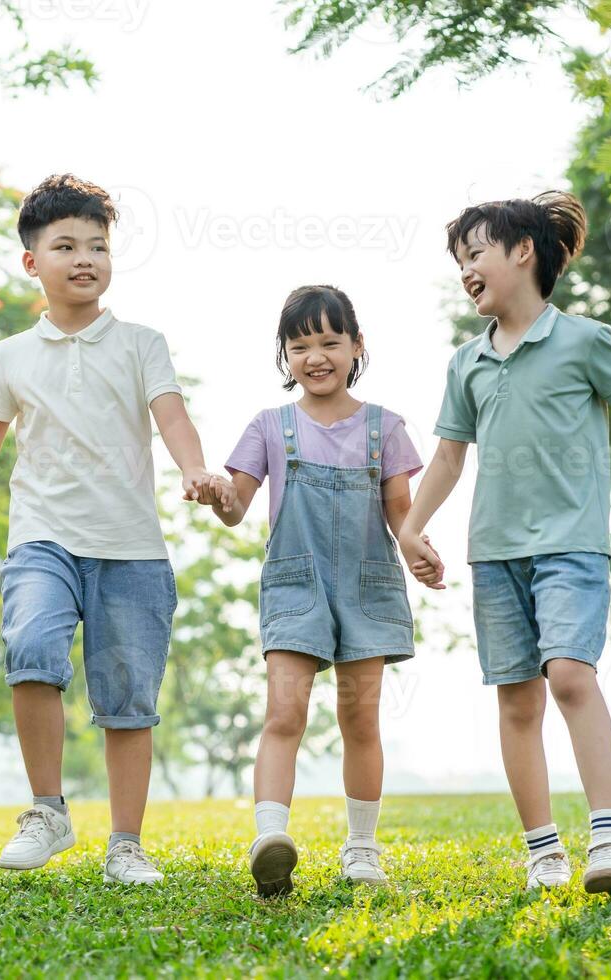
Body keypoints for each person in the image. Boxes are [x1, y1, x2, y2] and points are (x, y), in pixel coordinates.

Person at [398, 192, 611, 893]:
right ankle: (543, 851)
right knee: (518, 702)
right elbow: (451, 457)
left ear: (523, 253)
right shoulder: (467, 364)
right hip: (494, 553)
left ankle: (609, 839)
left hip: (572, 546)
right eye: (459, 260)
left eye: (475, 253)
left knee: (571, 676)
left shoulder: (584, 340)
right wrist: (411, 525)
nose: (466, 270)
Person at [0, 174, 221, 885]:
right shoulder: (10, 355)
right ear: (31, 261)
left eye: (98, 246)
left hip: (131, 546)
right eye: (66, 245)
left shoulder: (141, 343)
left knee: (127, 697)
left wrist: (196, 469)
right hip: (42, 537)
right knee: (33, 647)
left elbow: (172, 418)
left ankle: (125, 845)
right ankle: (47, 811)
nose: (86, 259)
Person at [198, 284, 424, 897]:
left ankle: (362, 849)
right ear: (284, 355)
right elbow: (237, 507)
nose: (316, 356)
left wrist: (418, 547)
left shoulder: (386, 427)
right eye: (300, 345)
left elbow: (401, 511)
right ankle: (270, 837)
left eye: (330, 341)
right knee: (284, 714)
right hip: (296, 586)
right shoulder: (269, 427)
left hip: (368, 585)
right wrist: (219, 493)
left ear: (356, 346)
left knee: (360, 719)